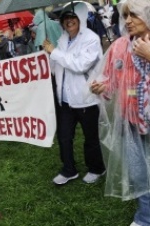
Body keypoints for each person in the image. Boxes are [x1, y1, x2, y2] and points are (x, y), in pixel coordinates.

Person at [90, 0, 150, 225]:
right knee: (139, 175)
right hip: (130, 122)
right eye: (124, 15)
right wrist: (101, 87)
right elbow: (109, 79)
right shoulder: (119, 46)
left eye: (133, 14)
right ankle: (145, 218)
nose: (127, 21)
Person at [42, 2, 106, 185]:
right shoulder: (62, 40)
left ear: (80, 19)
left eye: (72, 18)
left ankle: (96, 168)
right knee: (64, 137)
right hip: (65, 100)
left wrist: (54, 52)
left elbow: (79, 66)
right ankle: (69, 169)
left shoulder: (91, 39)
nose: (69, 22)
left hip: (86, 98)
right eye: (65, 19)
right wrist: (47, 57)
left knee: (90, 138)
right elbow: (58, 67)